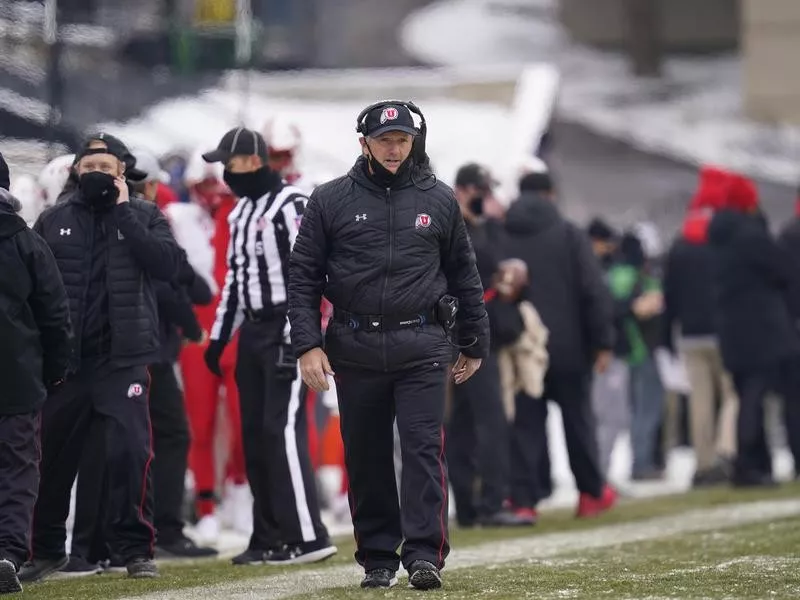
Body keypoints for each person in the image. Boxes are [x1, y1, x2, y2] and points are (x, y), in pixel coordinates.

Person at [288, 100, 490, 590]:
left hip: (423, 342)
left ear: (413, 141)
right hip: (355, 345)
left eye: (402, 139)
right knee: (366, 452)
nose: (394, 148)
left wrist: (474, 341)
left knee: (423, 448)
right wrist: (307, 345)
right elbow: (303, 277)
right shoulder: (329, 199)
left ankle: (424, 554)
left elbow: (464, 273)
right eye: (384, 140)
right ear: (364, 144)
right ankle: (378, 555)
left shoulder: (440, 199)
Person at [20, 133, 183, 582]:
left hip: (124, 360)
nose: (97, 176)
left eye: (106, 170)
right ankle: (47, 549)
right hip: (67, 365)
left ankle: (135, 550)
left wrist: (125, 211)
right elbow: (30, 286)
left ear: (121, 174)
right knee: (50, 459)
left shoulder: (145, 215)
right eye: (89, 169)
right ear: (76, 171)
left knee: (131, 453)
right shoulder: (53, 220)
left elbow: (169, 266)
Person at [202, 126, 336, 565]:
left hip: (286, 325)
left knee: (282, 429)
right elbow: (236, 285)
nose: (225, 171)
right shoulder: (239, 214)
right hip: (254, 333)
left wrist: (302, 333)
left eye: (232, 162)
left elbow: (311, 273)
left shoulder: (292, 204)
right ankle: (268, 536)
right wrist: (219, 338)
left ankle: (308, 534)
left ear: (254, 161)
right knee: (256, 436)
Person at [502, 161, 617, 519]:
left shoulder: (502, 233)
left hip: (523, 347)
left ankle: (524, 500)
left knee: (525, 425)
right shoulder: (569, 234)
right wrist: (603, 342)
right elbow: (593, 292)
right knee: (578, 422)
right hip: (570, 348)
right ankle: (589, 494)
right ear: (550, 194)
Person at [0, 154, 72, 594]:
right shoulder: (24, 240)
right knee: (17, 466)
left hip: (21, 372)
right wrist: (56, 367)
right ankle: (6, 552)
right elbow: (53, 309)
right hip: (19, 373)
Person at [708, 174, 800, 487]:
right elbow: (784, 270)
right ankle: (750, 465)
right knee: (757, 399)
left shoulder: (718, 237)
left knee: (747, 395)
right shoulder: (751, 236)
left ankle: (753, 464)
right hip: (762, 330)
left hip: (731, 332)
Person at [179, 149, 250, 542]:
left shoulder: (236, 214)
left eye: (215, 185)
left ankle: (240, 492)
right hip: (197, 331)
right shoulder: (177, 218)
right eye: (203, 185)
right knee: (200, 423)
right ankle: (206, 506)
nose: (210, 193)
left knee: (242, 423)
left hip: (236, 329)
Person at [446, 163, 522, 528]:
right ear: (464, 189)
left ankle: (471, 504)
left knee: (464, 420)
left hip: (475, 327)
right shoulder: (450, 223)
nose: (486, 199)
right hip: (465, 332)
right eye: (481, 192)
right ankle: (489, 502)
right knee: (485, 418)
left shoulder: (485, 227)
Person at [662, 167, 738, 486]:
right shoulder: (726, 240)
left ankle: (703, 463)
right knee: (734, 393)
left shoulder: (680, 245)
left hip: (690, 335)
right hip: (725, 331)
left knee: (700, 401)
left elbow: (670, 295)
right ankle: (725, 448)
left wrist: (667, 336)